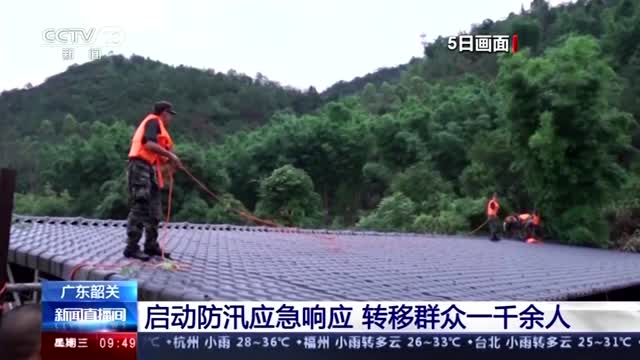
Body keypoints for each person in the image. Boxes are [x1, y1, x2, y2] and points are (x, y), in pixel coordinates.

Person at [124, 101, 183, 261]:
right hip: (138, 166)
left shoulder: (159, 128)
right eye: (170, 115)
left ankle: (151, 245)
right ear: (164, 113)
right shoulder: (153, 121)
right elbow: (149, 144)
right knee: (141, 204)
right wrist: (172, 157)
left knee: (154, 206)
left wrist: (171, 162)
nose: (171, 118)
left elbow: (159, 154)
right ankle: (131, 247)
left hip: (148, 168)